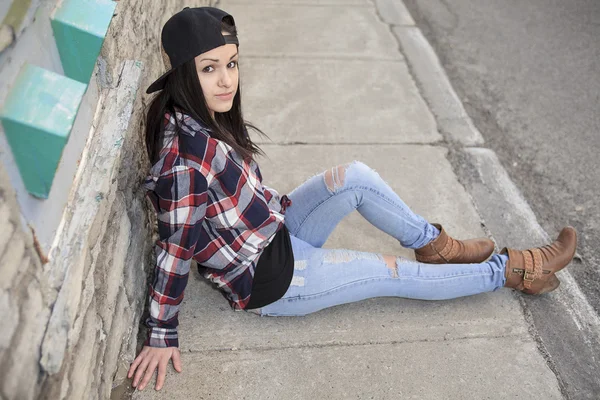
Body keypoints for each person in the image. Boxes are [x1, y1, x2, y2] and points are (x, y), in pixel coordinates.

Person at [128, 6, 578, 392]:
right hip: (273, 280)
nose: (227, 80)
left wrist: (281, 213)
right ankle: (515, 270)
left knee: (355, 177)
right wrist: (161, 331)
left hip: (275, 229)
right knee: (394, 273)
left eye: (232, 63)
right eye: (210, 68)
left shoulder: (194, 113)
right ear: (186, 72)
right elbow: (174, 247)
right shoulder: (183, 160)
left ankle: (438, 246)